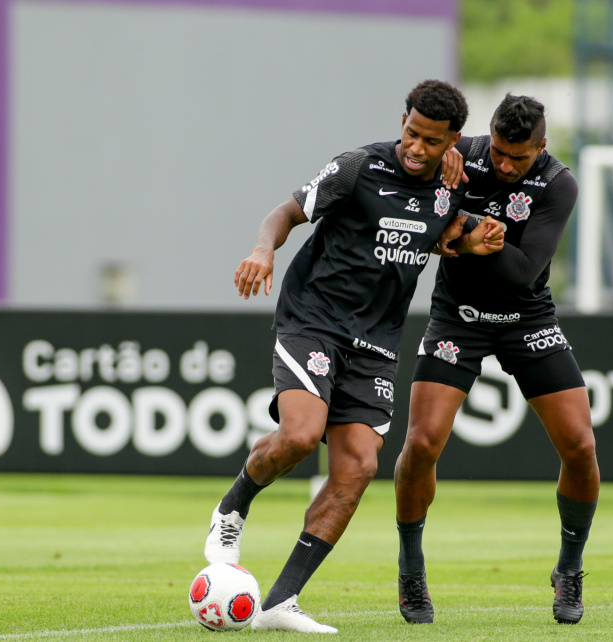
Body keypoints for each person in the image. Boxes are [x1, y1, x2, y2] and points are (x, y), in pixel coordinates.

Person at [203, 80, 504, 634]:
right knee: (298, 437)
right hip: (312, 320)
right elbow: (285, 212)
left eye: (431, 141)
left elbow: (443, 236)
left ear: (452, 140)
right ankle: (232, 508)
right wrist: (261, 250)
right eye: (411, 133)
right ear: (404, 122)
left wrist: (469, 242)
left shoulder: (453, 183)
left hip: (376, 343)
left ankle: (279, 603)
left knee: (359, 468)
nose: (416, 147)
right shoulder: (357, 167)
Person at [393, 94, 599, 626]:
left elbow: (524, 269)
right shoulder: (459, 157)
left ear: (542, 147)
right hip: (457, 318)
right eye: (501, 153)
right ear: (490, 135)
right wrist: (459, 219)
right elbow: (421, 226)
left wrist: (470, 231)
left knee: (580, 445)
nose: (505, 166)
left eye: (519, 158)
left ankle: (569, 568)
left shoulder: (559, 183)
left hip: (528, 320)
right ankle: (411, 568)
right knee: (420, 442)